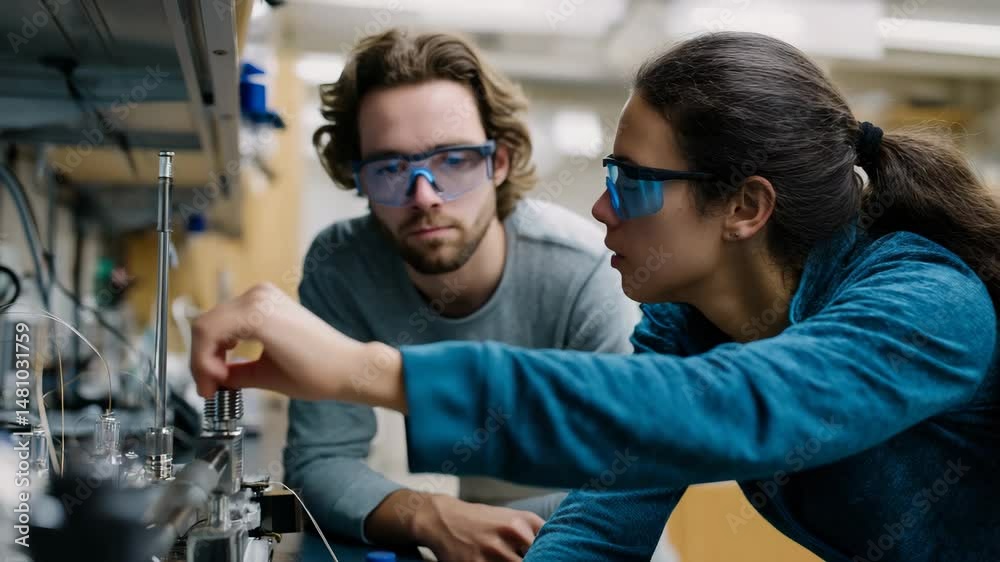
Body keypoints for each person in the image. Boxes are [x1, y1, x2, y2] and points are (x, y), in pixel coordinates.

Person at [191, 31, 1000, 561]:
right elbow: (602, 520)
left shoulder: (927, 303)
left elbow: (730, 408)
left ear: (745, 208)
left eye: (632, 184)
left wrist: (365, 371)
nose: (602, 209)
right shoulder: (688, 325)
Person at [285, 29, 639, 561]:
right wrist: (431, 516)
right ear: (357, 177)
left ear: (498, 162)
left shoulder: (584, 271)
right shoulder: (342, 268)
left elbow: (627, 481)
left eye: (453, 160)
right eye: (390, 168)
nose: (423, 196)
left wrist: (474, 526)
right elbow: (317, 460)